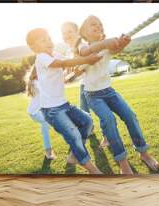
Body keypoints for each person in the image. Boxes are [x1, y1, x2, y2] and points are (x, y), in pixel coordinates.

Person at [77, 16, 159, 174]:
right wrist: (105, 42)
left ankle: (144, 153)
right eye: (93, 24)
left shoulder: (106, 46)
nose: (98, 26)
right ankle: (123, 163)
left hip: (109, 91)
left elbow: (116, 49)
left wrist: (124, 42)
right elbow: (85, 51)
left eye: (100, 24)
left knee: (130, 116)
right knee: (108, 120)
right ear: (84, 32)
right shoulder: (82, 47)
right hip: (93, 95)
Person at [26, 28, 103, 174]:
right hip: (52, 110)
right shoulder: (41, 57)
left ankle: (74, 155)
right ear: (34, 48)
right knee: (73, 135)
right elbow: (63, 63)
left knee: (87, 121)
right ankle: (94, 171)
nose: (49, 41)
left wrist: (80, 64)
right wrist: (86, 60)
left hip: (63, 104)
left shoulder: (54, 54)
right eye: (43, 40)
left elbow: (69, 62)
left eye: (49, 37)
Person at [60, 21, 109, 148]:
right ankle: (90, 129)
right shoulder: (69, 51)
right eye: (64, 33)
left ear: (77, 32)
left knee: (100, 111)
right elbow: (73, 69)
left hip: (94, 85)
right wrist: (68, 76)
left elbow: (88, 63)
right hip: (84, 84)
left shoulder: (82, 45)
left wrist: (77, 70)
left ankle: (106, 136)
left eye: (70, 31)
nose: (67, 35)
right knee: (84, 110)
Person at [26, 67, 55, 160]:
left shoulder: (36, 81)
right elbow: (46, 92)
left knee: (49, 124)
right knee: (46, 124)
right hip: (35, 112)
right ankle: (48, 151)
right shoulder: (36, 82)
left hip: (37, 111)